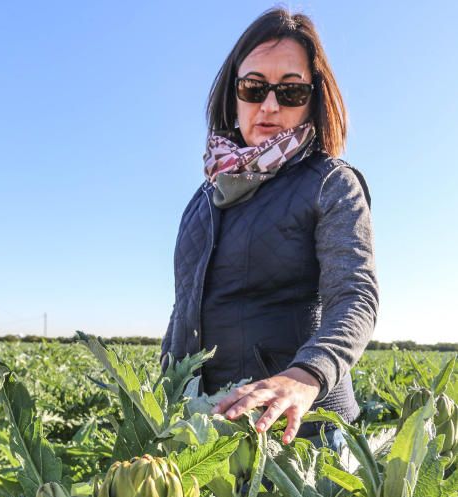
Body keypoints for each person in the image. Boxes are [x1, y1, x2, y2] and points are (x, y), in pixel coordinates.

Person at [160, 8, 379, 457]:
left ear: (314, 98)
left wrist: (305, 377)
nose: (271, 105)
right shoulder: (202, 201)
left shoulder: (331, 182)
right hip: (210, 433)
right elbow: (184, 311)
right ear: (232, 95)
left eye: (292, 90)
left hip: (301, 433)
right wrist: (165, 399)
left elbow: (355, 296)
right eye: (254, 87)